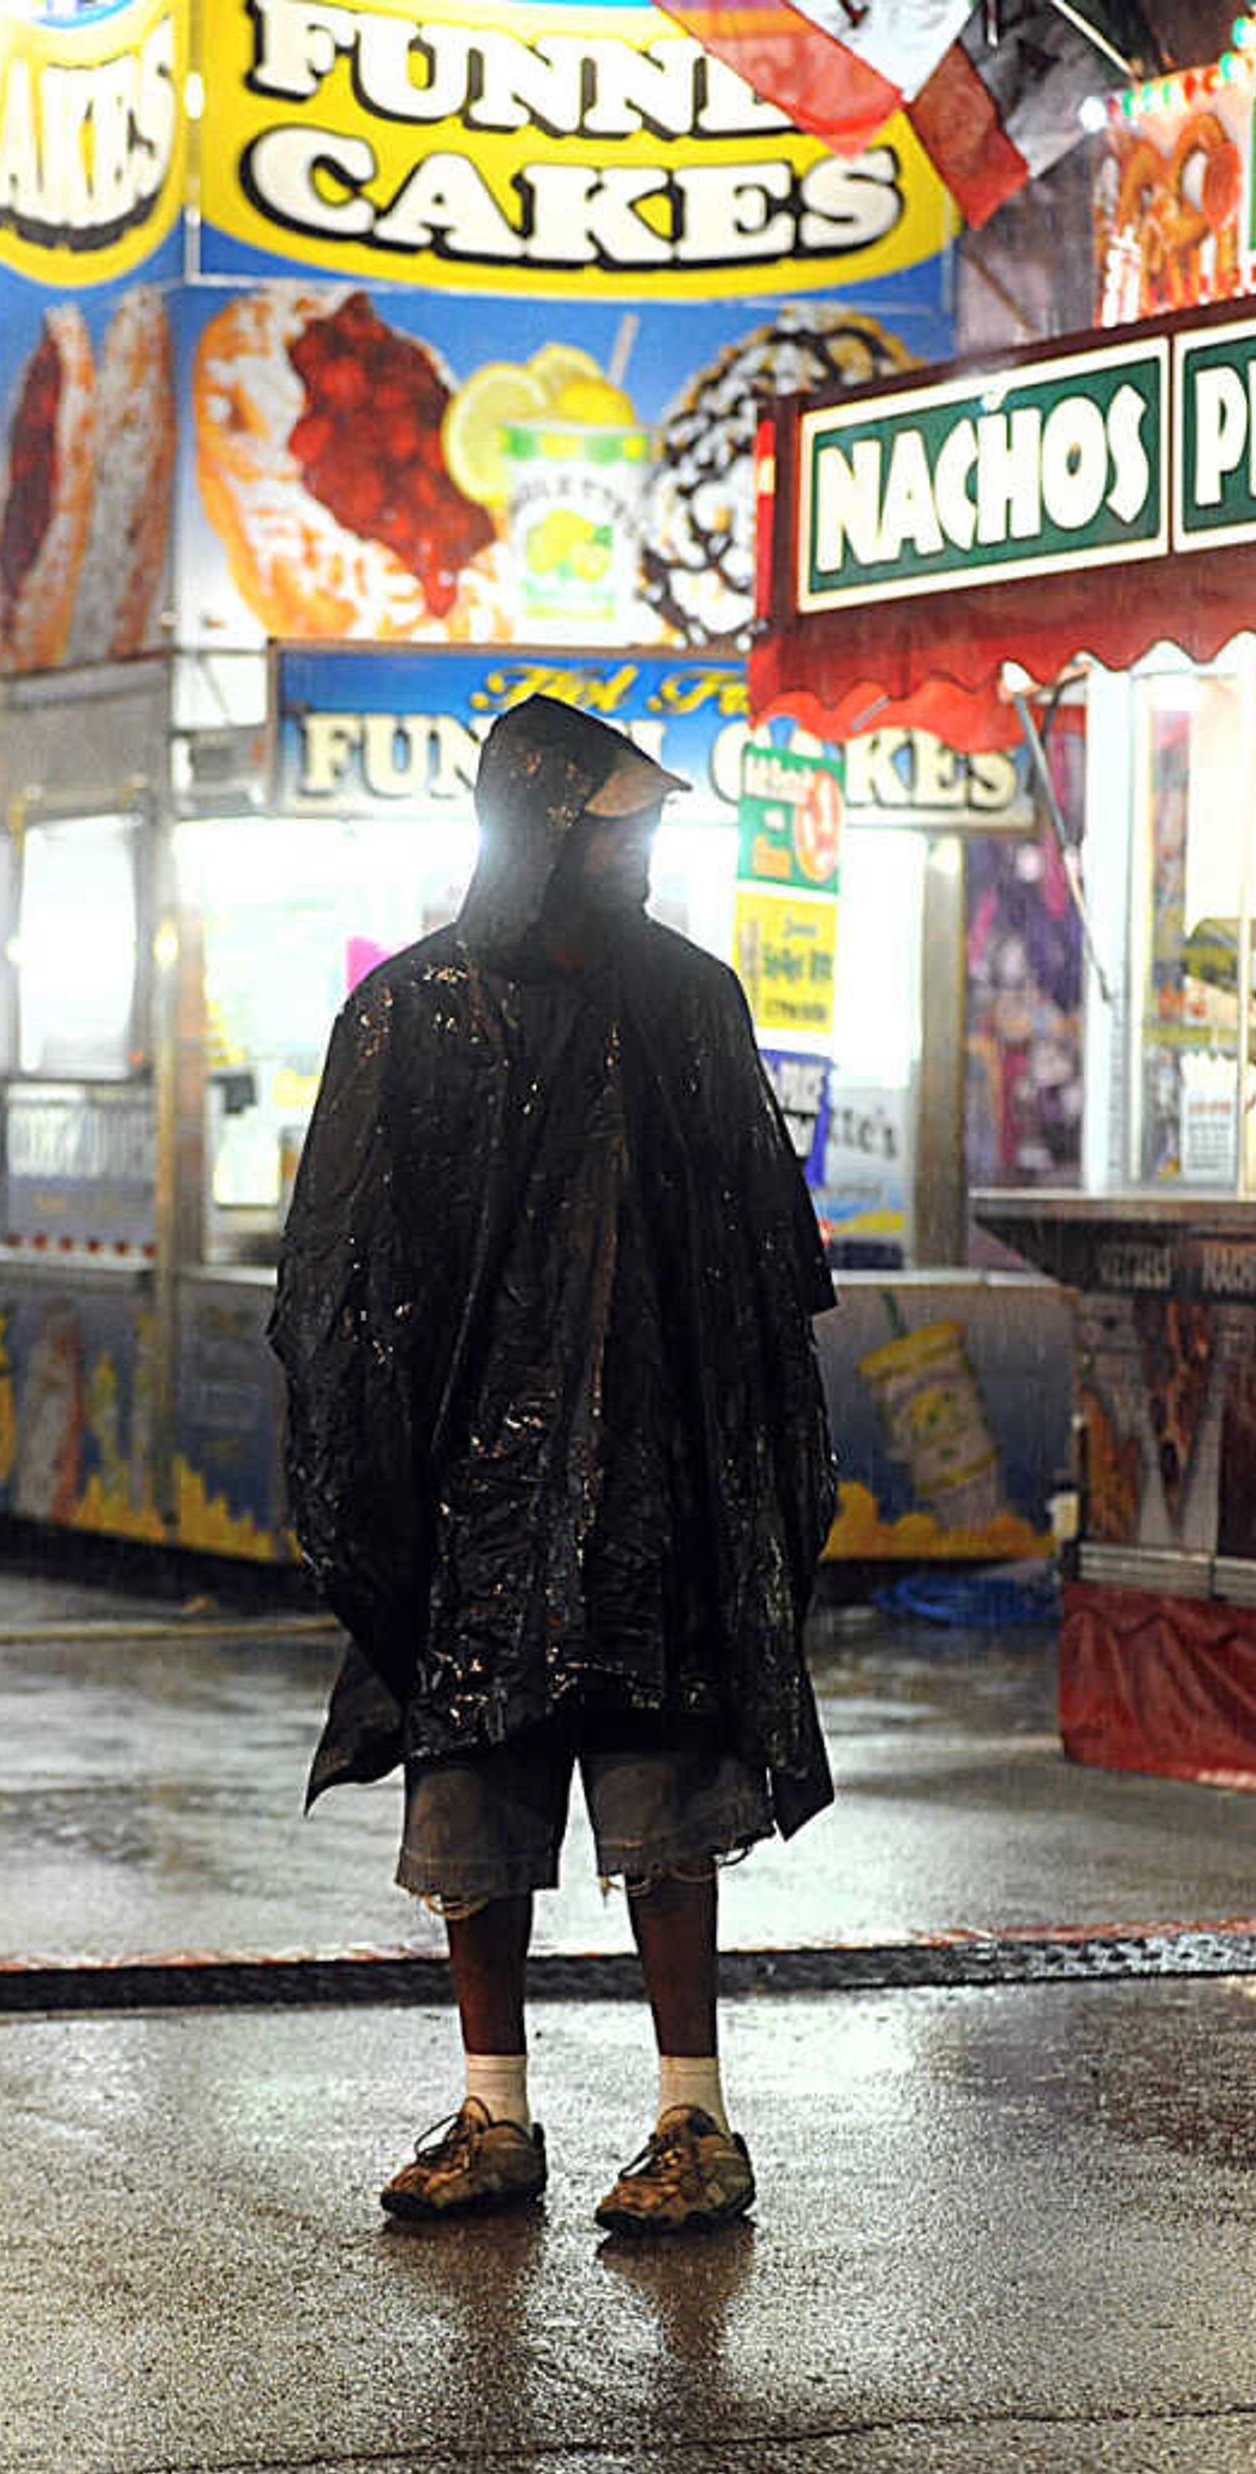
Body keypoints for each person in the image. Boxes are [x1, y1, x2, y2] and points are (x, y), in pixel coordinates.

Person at [272, 695, 837, 2238]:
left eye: (650, 829)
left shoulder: (693, 1005)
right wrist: (376, 1485)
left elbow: (766, 1263)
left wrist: (758, 1483)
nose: (642, 854)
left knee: (668, 1816)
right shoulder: (406, 1017)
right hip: (474, 1496)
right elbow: (344, 1280)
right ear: (542, 832)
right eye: (617, 831)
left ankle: (692, 2117)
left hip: (656, 1491)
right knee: (473, 1819)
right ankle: (494, 2112)